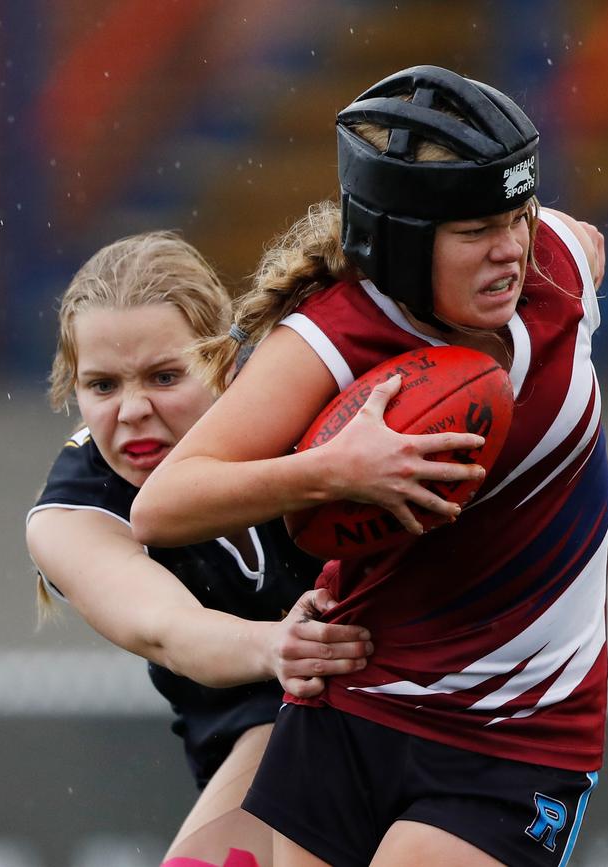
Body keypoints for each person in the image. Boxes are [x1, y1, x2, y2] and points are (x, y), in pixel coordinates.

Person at [131, 65, 608, 867]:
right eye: (474, 230)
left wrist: (538, 228)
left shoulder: (556, 260)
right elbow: (163, 506)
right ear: (399, 239)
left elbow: (580, 242)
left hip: (517, 735)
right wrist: (334, 470)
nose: (509, 250)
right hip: (350, 710)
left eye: (516, 214)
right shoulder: (333, 339)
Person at [25, 230, 375, 867]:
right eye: (101, 385)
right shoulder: (71, 513)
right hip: (267, 731)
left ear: (228, 359)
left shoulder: (313, 403)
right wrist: (275, 645)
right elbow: (167, 629)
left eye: (163, 376)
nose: (131, 410)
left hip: (405, 707)